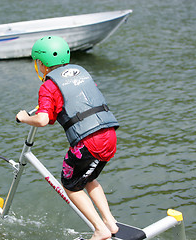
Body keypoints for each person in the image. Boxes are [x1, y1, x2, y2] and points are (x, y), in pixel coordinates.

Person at [16, 36, 120, 240]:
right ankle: (110, 221)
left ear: (41, 63)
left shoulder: (47, 86)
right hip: (109, 134)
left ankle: (100, 229)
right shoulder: (81, 71)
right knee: (89, 178)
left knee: (70, 185)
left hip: (88, 143)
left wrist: (25, 118)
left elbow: (44, 120)